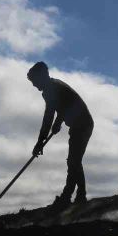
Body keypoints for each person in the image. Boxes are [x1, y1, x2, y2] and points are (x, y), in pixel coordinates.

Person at [27, 61, 94, 210]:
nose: (33, 85)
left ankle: (70, 197)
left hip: (83, 124)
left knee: (73, 161)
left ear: (42, 76)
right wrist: (41, 139)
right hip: (77, 125)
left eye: (34, 81)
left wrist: (56, 124)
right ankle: (77, 196)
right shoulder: (50, 89)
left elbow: (60, 110)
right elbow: (52, 114)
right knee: (74, 161)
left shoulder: (55, 87)